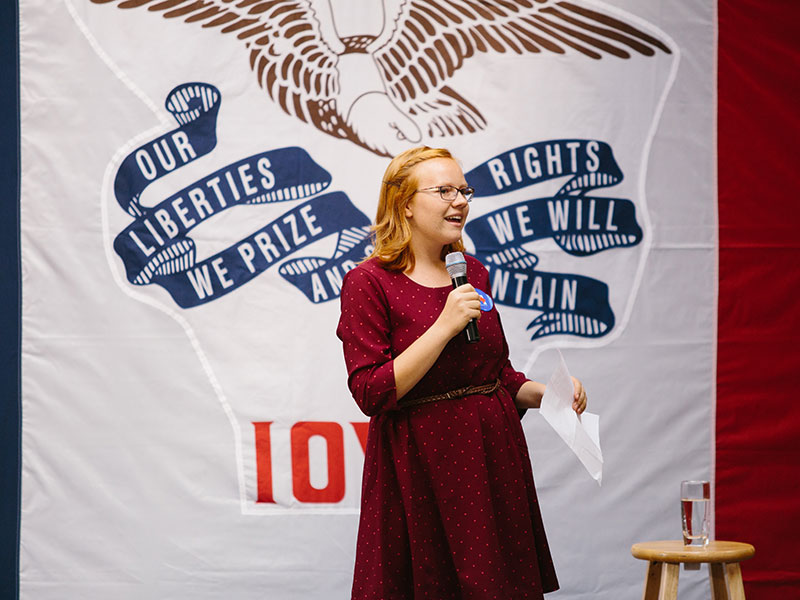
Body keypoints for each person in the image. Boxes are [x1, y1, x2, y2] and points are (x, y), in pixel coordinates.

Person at [336, 146, 587, 599]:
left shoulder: (472, 271)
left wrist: (547, 393)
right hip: (420, 466)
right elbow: (371, 390)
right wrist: (443, 326)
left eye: (464, 190)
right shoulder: (368, 282)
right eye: (444, 190)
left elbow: (496, 373)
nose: (460, 201)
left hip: (492, 458)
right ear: (405, 203)